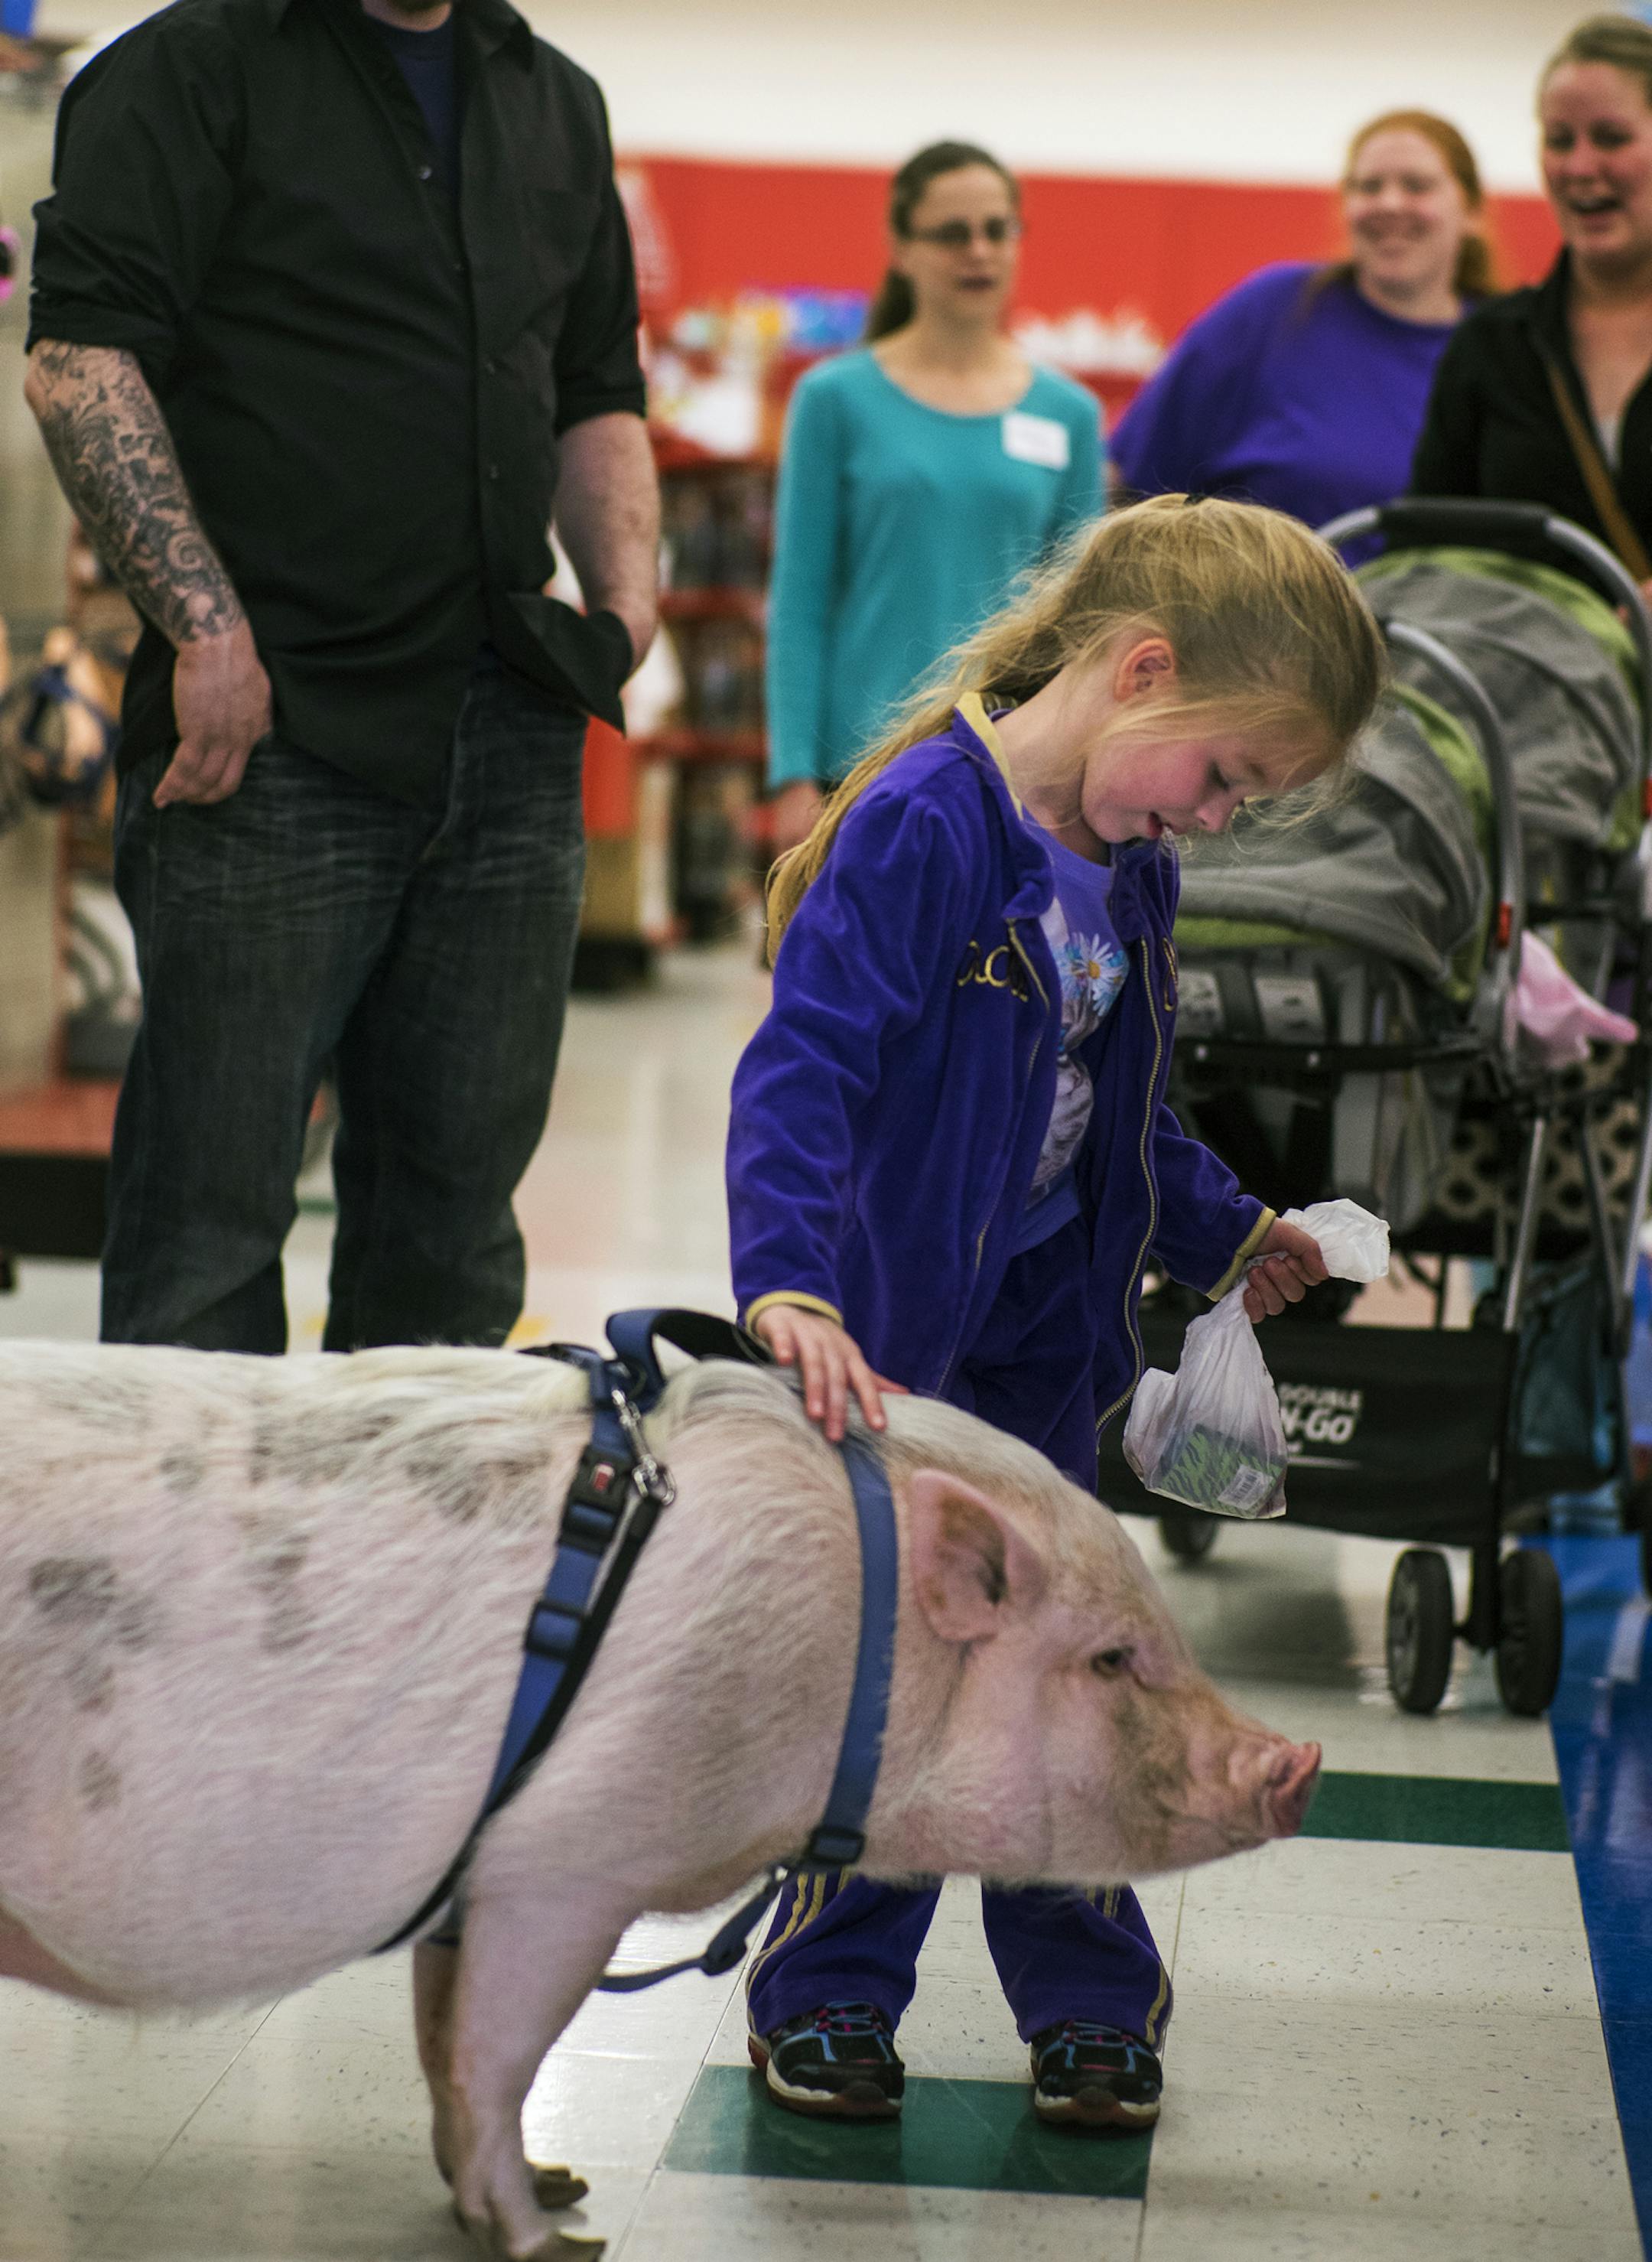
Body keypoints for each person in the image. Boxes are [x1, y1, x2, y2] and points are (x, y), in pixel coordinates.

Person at [726, 495, 1384, 2130]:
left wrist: (1236, 1233)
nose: (1214, 817)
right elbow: (805, 1068)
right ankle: (825, 1991)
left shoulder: (1132, 866)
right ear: (1143, 670)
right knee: (897, 1681)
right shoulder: (928, 826)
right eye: (1225, 773)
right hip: (887, 1351)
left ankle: (1091, 1995)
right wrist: (787, 1278)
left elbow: (1133, 1102)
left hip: (1038, 1341)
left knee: (1068, 1667)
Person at [24, 0, 659, 1354]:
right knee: (209, 1220)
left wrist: (629, 601)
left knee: (453, 1228)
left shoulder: (552, 99)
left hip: (507, 724)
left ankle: (412, 1565)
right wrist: (205, 630)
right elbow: (81, 363)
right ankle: (187, 1569)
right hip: (272, 729)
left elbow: (596, 382)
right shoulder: (188, 70)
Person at [765, 139, 1103, 854]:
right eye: (953, 234)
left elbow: (1083, 618)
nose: (978, 252)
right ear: (902, 248)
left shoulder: (1068, 413)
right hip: (859, 765)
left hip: (1012, 762)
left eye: (996, 229)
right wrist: (793, 772)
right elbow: (799, 602)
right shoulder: (834, 399)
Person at [1114, 111, 1492, 529]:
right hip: (1261, 592)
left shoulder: (1501, 350)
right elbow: (1131, 482)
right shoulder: (1272, 313)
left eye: (1416, 185)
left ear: (1472, 210)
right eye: (1369, 186)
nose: (1389, 203)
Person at [1412, 15, 1652, 587]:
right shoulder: (1491, 346)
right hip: (1531, 676)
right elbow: (1425, 554)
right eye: (1559, 140)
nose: (1580, 167)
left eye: (1612, 138)